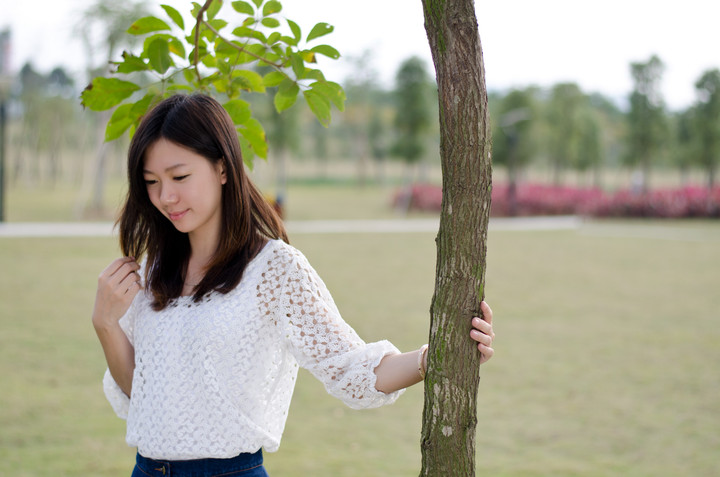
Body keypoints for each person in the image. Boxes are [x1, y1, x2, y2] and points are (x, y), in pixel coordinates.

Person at [92, 93, 495, 477]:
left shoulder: (275, 270)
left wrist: (435, 356)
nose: (166, 196)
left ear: (223, 168)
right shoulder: (151, 268)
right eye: (151, 182)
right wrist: (106, 325)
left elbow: (350, 367)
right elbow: (144, 395)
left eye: (179, 176)